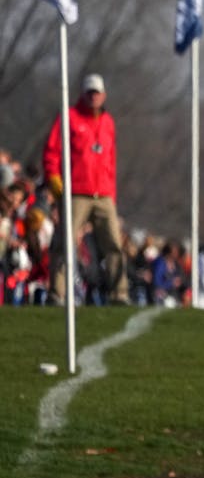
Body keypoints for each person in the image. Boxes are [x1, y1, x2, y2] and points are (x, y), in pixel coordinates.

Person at [42, 73, 127, 305]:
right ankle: (56, 292)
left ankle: (119, 293)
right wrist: (54, 179)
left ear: (104, 95)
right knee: (64, 242)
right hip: (76, 191)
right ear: (83, 94)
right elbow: (52, 151)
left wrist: (112, 193)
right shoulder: (69, 117)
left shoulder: (108, 122)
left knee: (113, 244)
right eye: (89, 92)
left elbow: (111, 160)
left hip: (103, 193)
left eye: (97, 92)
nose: (93, 96)